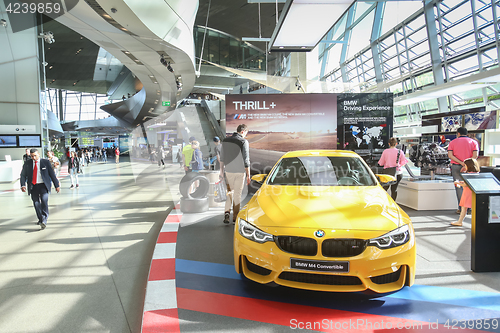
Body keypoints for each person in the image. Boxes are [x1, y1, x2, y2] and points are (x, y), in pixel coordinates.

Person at [20, 148, 60, 230]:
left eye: (35, 156)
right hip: (33, 186)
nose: (33, 158)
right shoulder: (27, 163)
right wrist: (23, 185)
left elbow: (52, 174)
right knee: (36, 203)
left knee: (44, 201)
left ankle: (44, 220)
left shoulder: (45, 162)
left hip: (43, 186)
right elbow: (23, 175)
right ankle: (41, 218)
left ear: (38, 154)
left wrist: (56, 185)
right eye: (31, 156)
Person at [219, 124, 251, 224]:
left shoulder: (226, 140)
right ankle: (235, 216)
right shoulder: (243, 141)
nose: (245, 135)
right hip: (240, 172)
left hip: (228, 170)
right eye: (246, 133)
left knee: (229, 192)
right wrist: (248, 175)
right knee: (237, 194)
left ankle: (227, 212)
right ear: (243, 131)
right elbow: (246, 160)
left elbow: (222, 157)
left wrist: (221, 171)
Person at [448, 127, 479, 214]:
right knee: (471, 187)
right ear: (467, 134)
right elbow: (475, 155)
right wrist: (466, 165)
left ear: (458, 133)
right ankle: (471, 208)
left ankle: (462, 208)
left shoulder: (452, 142)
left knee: (459, 187)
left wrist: (462, 163)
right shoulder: (473, 142)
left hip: (457, 166)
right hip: (471, 167)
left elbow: (450, 155)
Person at [451, 158, 479, 226]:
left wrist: (458, 183)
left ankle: (460, 221)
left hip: (467, 193)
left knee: (464, 208)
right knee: (473, 208)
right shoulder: (476, 174)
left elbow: (466, 184)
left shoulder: (469, 174)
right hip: (472, 192)